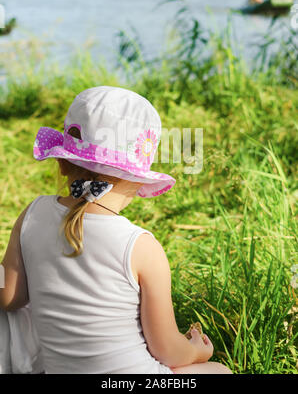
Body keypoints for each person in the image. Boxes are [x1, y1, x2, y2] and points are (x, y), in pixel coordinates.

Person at [0, 86, 232, 374]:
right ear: (136, 177)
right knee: (219, 371)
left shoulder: (32, 214)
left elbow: (8, 296)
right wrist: (197, 351)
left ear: (61, 163)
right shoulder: (141, 246)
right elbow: (167, 350)